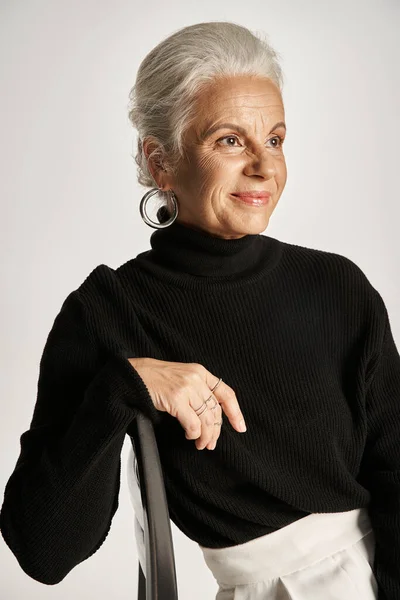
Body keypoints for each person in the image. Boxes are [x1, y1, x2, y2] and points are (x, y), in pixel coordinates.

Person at [1, 20, 399, 599]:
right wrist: (124, 385)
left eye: (276, 139)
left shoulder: (335, 284)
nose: (264, 166)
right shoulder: (109, 312)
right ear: (161, 162)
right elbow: (44, 551)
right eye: (230, 140)